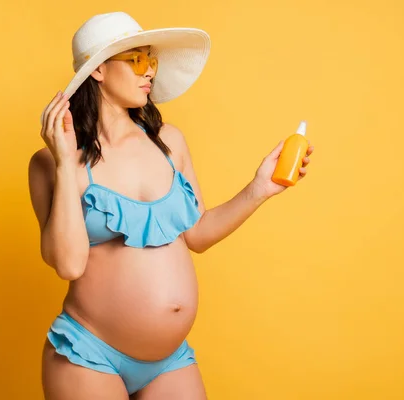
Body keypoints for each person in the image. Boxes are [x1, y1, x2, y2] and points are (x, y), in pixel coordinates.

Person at [28, 11, 314, 400]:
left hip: (169, 361)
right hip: (89, 355)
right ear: (98, 71)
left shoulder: (169, 142)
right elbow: (69, 264)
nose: (150, 73)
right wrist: (64, 162)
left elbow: (197, 234)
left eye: (152, 61)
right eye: (138, 60)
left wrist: (259, 188)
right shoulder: (51, 163)